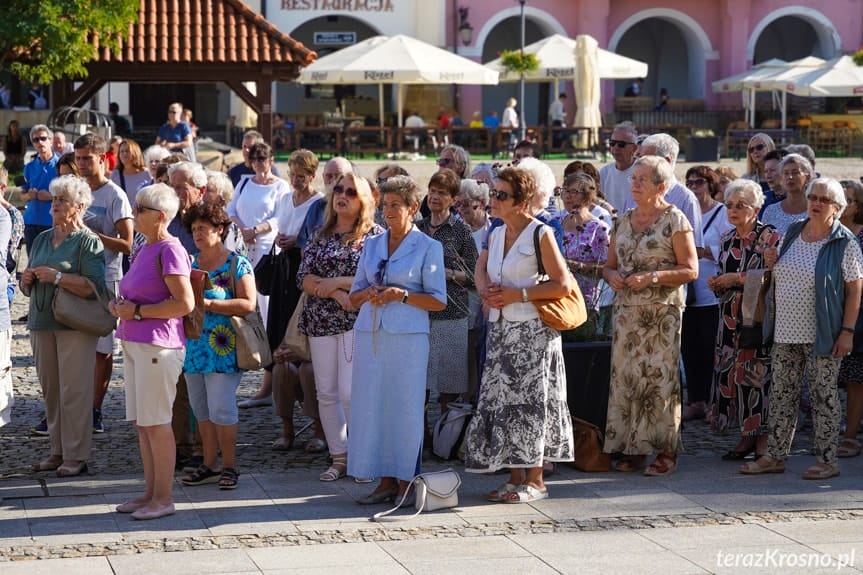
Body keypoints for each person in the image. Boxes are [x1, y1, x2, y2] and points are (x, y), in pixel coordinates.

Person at [742, 178, 863, 480]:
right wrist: (771, 261)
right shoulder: (794, 231)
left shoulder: (844, 242)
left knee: (824, 396)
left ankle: (827, 459)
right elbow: (779, 272)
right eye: (813, 197)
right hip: (785, 329)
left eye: (824, 199)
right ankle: (775, 455)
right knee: (782, 394)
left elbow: (855, 290)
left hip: (823, 333)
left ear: (837, 207)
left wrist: (847, 332)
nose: (816, 203)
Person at [466, 167, 574, 503]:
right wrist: (484, 290)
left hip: (532, 334)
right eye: (492, 194)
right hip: (501, 330)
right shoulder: (496, 233)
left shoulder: (540, 233)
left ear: (521, 201)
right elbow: (481, 267)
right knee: (506, 404)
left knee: (532, 404)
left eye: (500, 195)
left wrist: (519, 295)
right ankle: (514, 477)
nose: (492, 201)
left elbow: (562, 284)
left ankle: (536, 480)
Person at [347, 175, 447, 504]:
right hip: (371, 334)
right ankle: (384, 479)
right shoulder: (372, 244)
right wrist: (370, 294)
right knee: (373, 406)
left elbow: (438, 300)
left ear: (412, 209)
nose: (387, 212)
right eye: (384, 205)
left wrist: (401, 295)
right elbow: (353, 295)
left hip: (408, 338)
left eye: (395, 206)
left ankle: (406, 479)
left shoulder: (429, 247)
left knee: (405, 408)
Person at [601, 155, 698, 476]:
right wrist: (611, 275)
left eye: (643, 179)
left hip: (661, 315)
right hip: (627, 313)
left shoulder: (675, 220)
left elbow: (691, 270)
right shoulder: (622, 220)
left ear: (662, 186)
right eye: (633, 178)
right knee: (627, 379)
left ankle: (665, 450)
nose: (635, 184)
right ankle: (633, 447)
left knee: (659, 380)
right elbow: (609, 263)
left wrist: (653, 278)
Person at [110, 183, 194, 520]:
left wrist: (139, 312)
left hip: (159, 345)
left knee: (157, 422)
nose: (134, 212)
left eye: (140, 208)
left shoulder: (170, 250)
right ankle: (150, 493)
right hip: (135, 342)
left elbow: (184, 303)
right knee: (143, 423)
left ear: (159, 216)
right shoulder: (146, 248)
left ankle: (164, 497)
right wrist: (122, 307)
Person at [297, 173, 383, 481]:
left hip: (356, 322)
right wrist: (334, 292)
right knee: (327, 392)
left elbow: (376, 276)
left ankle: (363, 455)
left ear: (363, 200)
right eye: (338, 190)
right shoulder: (321, 234)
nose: (342, 195)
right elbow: (303, 277)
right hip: (321, 321)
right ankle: (340, 456)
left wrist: (336, 282)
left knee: (350, 392)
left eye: (350, 191)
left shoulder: (374, 236)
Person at [21, 175, 106, 477]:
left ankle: (77, 454)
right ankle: (57, 450)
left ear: (79, 207)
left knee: (74, 391)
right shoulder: (43, 238)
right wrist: (27, 280)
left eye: (62, 200)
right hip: (41, 322)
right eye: (55, 199)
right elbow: (26, 283)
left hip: (74, 325)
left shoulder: (88, 241)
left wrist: (56, 277)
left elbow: (94, 287)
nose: (55, 204)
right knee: (52, 392)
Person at [180, 202, 256, 490]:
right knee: (201, 409)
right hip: (194, 346)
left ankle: (229, 465)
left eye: (203, 227)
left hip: (224, 347)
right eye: (194, 228)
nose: (197, 233)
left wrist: (210, 303)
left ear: (219, 229)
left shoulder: (236, 262)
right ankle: (209, 463)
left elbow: (248, 304)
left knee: (222, 408)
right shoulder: (189, 263)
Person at [707, 179, 781, 457]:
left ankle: (762, 440)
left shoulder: (770, 236)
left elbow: (774, 275)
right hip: (728, 318)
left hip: (756, 318)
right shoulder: (727, 238)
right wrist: (717, 283)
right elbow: (723, 271)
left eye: (741, 205)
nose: (733, 210)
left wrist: (736, 279)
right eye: (729, 205)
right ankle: (745, 436)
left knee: (757, 377)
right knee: (732, 376)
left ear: (757, 207)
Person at [75, 133, 134, 435]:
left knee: (102, 349)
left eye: (87, 158)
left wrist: (89, 235)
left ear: (102, 158)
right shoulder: (76, 191)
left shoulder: (115, 195)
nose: (82, 164)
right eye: (78, 158)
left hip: (107, 279)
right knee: (76, 349)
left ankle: (95, 409)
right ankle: (73, 407)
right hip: (75, 279)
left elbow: (128, 243)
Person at [226, 141, 289, 403]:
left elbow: (279, 216)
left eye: (264, 159)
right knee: (245, 314)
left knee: (266, 312)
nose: (260, 164)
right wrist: (243, 229)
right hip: (243, 249)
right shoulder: (243, 183)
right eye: (255, 159)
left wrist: (257, 230)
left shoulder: (280, 186)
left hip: (267, 252)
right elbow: (231, 210)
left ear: (271, 159)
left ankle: (270, 380)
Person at [418, 169, 478, 419]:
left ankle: (445, 434)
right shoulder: (417, 228)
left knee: (448, 383)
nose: (434, 197)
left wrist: (446, 273)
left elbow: (475, 276)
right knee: (418, 380)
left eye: (441, 193)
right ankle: (421, 435)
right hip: (420, 312)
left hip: (451, 312)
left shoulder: (461, 231)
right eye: (432, 191)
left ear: (453, 199)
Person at [681, 166, 733, 422]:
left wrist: (705, 251)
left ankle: (716, 402)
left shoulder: (722, 213)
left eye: (699, 182)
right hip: (687, 292)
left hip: (713, 292)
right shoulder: (685, 212)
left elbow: (731, 248)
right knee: (690, 349)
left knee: (712, 348)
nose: (694, 187)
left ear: (710, 184)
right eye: (689, 182)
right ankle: (696, 400)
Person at [456, 178, 491, 402]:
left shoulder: (493, 229)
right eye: (458, 205)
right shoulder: (456, 229)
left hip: (483, 300)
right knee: (466, 354)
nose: (461, 210)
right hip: (461, 301)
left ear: (483, 202)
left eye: (467, 204)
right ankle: (467, 399)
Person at [557, 172, 609, 310]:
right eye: (565, 191)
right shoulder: (556, 221)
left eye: (573, 192)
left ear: (587, 197)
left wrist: (572, 265)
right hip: (556, 301)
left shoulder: (598, 228)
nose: (567, 196)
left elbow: (607, 269)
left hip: (584, 303)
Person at [838, 179, 863, 459]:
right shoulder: (830, 233)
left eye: (849, 199)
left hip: (858, 314)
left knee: (857, 378)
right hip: (832, 312)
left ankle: (850, 435)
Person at [21, 124, 57, 256]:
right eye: (35, 140)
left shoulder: (61, 165)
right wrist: (29, 195)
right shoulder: (28, 167)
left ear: (51, 140)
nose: (40, 142)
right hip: (31, 221)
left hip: (53, 221)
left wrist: (51, 196)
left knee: (51, 263)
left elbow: (70, 196)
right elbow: (22, 195)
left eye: (43, 138)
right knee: (32, 262)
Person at [761, 153, 811, 235]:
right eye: (786, 173)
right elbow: (762, 244)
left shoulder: (814, 211)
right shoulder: (770, 211)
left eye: (795, 173)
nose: (790, 177)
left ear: (807, 178)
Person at [203, 170, 246, 256]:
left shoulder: (229, 227)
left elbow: (233, 259)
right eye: (203, 188)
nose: (203, 193)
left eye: (209, 190)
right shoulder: (196, 220)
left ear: (222, 199)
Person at [599, 121, 639, 211]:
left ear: (634, 148)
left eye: (621, 144)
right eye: (612, 143)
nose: (616, 147)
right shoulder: (604, 172)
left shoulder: (642, 172)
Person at [110, 139, 150, 208]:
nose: (124, 154)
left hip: (141, 216)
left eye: (127, 151)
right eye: (121, 151)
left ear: (135, 152)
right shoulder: (115, 175)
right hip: (122, 216)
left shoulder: (146, 174)